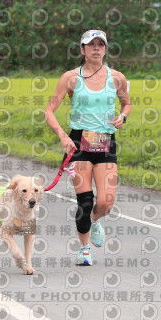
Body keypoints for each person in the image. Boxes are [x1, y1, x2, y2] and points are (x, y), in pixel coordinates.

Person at [45, 29, 131, 266]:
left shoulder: (117, 77)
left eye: (100, 44)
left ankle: (94, 220)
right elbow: (48, 111)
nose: (96, 48)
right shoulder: (71, 78)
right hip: (78, 143)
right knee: (85, 201)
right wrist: (63, 136)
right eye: (91, 44)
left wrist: (123, 117)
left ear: (105, 49)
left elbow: (127, 103)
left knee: (106, 202)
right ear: (82, 50)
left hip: (105, 143)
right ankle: (84, 250)